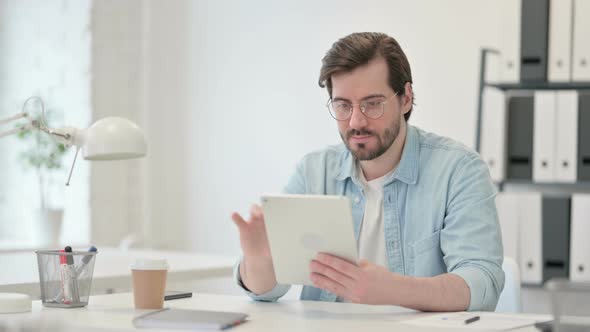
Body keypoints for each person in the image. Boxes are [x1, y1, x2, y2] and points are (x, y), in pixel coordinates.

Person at [231, 32, 504, 312]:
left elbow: (482, 284)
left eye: (372, 103)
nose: (356, 120)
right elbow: (267, 292)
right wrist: (259, 263)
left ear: (406, 98)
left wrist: (392, 290)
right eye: (343, 105)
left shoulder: (458, 170)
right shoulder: (314, 171)